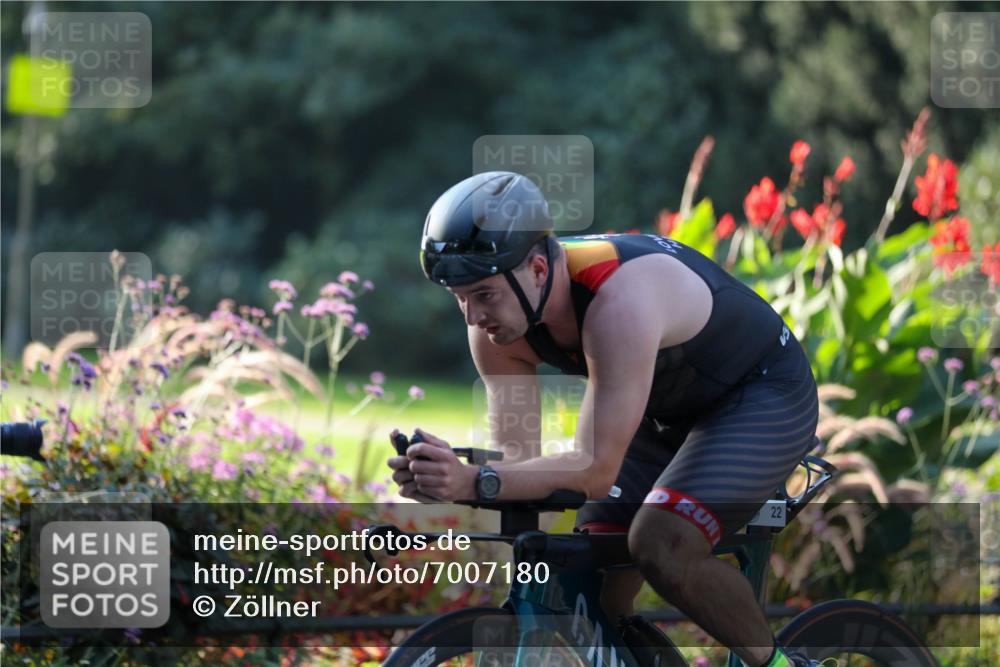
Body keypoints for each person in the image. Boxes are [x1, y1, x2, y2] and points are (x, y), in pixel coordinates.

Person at [387, 171, 822, 667]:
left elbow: (593, 470)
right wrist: (451, 477)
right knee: (590, 584)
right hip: (662, 413)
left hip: (761, 395)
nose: (471, 317)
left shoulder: (618, 300)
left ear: (537, 268)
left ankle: (779, 665)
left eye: (483, 294)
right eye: (459, 297)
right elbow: (518, 463)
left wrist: (474, 480)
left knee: (661, 544)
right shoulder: (496, 329)